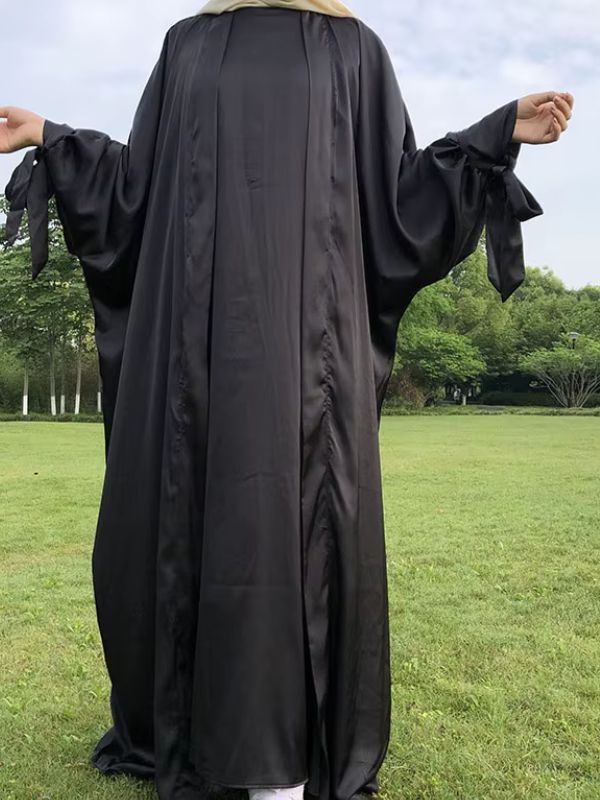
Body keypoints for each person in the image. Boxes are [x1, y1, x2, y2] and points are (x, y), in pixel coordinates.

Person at [1, 1, 573, 798]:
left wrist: (496, 130)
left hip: (315, 372)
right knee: (205, 525)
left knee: (302, 531)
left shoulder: (355, 50)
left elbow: (397, 199)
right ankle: (204, 733)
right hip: (195, 372)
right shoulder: (188, 44)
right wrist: (53, 137)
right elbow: (138, 191)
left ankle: (290, 755)